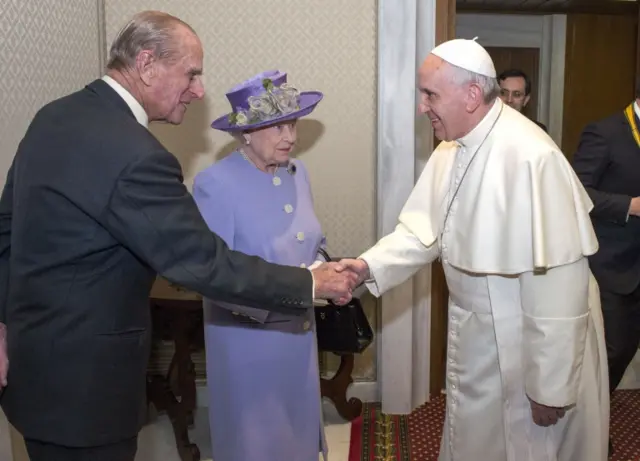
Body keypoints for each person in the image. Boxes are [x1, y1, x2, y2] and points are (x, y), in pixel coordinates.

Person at [0, 11, 355, 461]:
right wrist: (311, 283)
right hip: (86, 390)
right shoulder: (136, 154)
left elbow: (8, 230)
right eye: (191, 73)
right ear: (147, 65)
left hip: (35, 369)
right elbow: (202, 261)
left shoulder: (53, 116)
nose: (200, 89)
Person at [338, 38, 609, 461]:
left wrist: (550, 388)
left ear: (469, 96)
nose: (421, 107)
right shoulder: (452, 148)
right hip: (477, 333)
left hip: (527, 344)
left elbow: (559, 289)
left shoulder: (532, 156)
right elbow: (421, 233)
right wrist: (365, 267)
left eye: (430, 94)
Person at [192, 70, 328, 461]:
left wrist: (324, 274)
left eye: (293, 123)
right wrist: (305, 286)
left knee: (297, 442)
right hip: (248, 342)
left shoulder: (298, 174)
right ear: (245, 133)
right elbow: (214, 276)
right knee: (256, 445)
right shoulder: (215, 184)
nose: (290, 137)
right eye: (276, 127)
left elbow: (313, 242)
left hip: (299, 337)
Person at [571, 82, 640, 455]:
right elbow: (576, 192)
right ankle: (587, 427)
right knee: (610, 352)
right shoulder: (605, 131)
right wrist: (630, 205)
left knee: (627, 349)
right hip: (612, 265)